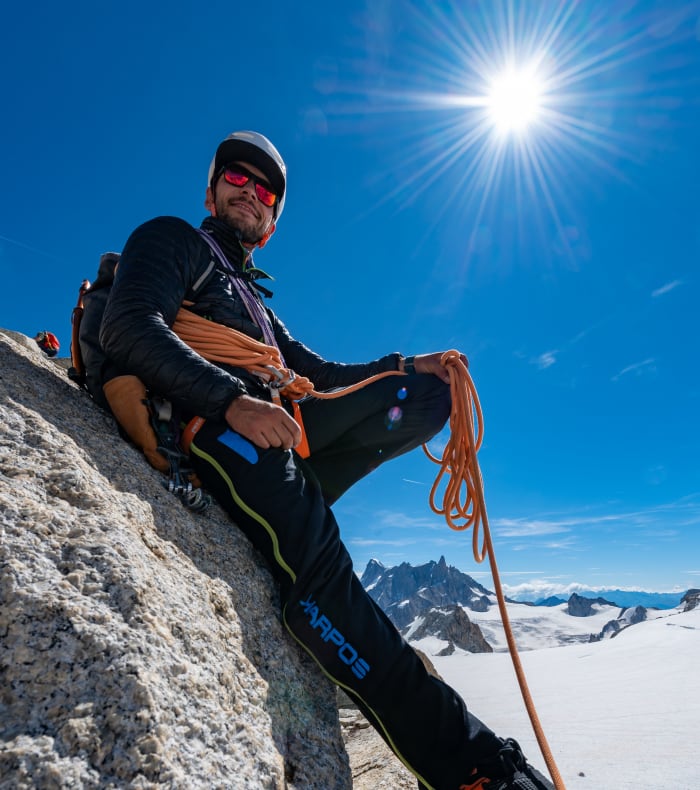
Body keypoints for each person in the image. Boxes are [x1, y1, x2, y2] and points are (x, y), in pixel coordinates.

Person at [100, 131, 554, 790]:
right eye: (238, 177)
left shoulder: (254, 302)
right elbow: (129, 325)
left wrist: (407, 367)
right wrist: (232, 402)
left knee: (425, 399)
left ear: (273, 221)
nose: (250, 193)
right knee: (324, 583)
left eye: (265, 191)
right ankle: (476, 768)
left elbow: (318, 375)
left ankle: (303, 507)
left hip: (272, 426)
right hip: (218, 429)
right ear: (211, 189)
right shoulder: (172, 239)